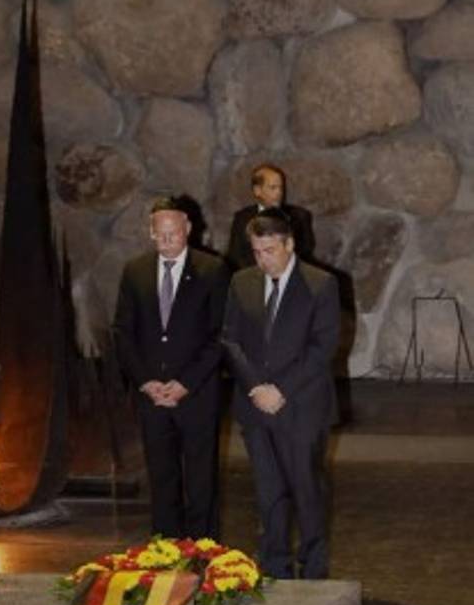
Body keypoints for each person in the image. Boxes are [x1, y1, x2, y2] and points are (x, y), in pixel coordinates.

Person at [221, 210, 340, 579]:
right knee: (267, 490)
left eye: (270, 250)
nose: (263, 259)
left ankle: (313, 563)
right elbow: (230, 339)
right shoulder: (242, 282)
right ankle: (273, 565)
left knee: (305, 487)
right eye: (256, 251)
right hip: (256, 406)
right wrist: (257, 387)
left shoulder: (321, 284)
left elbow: (323, 347)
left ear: (289, 244)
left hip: (301, 406)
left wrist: (281, 390)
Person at [114, 197, 230, 539]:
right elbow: (123, 331)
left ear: (188, 230)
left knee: (200, 479)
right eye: (160, 235)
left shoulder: (212, 270)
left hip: (196, 394)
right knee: (161, 478)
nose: (167, 241)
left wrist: (185, 382)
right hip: (152, 395)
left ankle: (204, 551)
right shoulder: (135, 271)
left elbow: (220, 335)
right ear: (151, 233)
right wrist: (145, 381)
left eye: (173, 234)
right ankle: (165, 549)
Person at [226, 162, 315, 270]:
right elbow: (235, 255)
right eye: (273, 188)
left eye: (281, 188)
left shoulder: (299, 217)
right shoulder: (241, 218)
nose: (279, 193)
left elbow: (305, 254)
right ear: (257, 190)